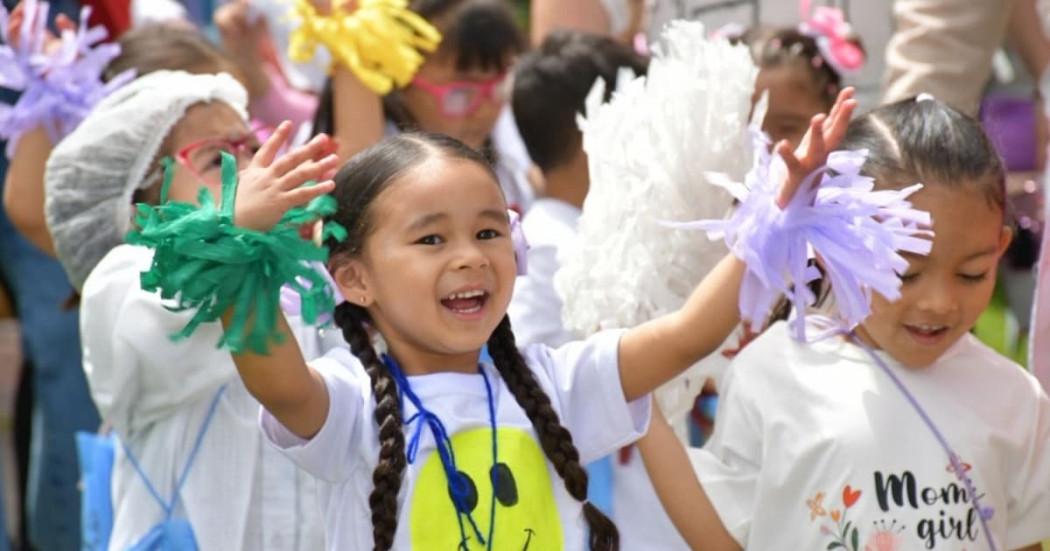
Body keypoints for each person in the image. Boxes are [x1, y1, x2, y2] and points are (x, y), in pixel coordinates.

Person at [163, 83, 856, 550]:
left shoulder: (557, 382)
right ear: (353, 278)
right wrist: (232, 243)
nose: (470, 256)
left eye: (489, 231)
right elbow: (277, 381)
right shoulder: (349, 400)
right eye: (431, 239)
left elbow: (687, 335)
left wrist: (774, 215)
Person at [640, 97, 1050, 551]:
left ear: (999, 247)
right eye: (905, 273)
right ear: (831, 248)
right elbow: (724, 537)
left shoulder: (1014, 397)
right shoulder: (774, 372)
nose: (939, 303)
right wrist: (637, 402)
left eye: (971, 273)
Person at [46, 70, 339, 549]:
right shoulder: (124, 278)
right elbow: (168, 307)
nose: (250, 170)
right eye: (217, 158)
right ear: (139, 203)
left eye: (251, 147)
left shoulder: (302, 282)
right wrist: (229, 226)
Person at [309, 0, 536, 212]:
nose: (484, 111)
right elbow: (359, 155)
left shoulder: (510, 155)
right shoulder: (383, 160)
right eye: (460, 94)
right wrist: (351, 32)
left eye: (499, 88)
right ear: (401, 82)